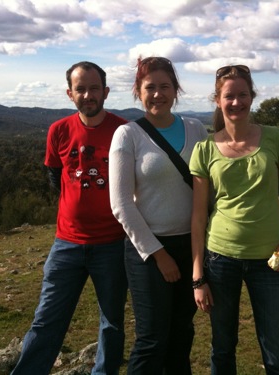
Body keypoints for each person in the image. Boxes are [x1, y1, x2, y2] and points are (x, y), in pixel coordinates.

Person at [11, 61, 128, 375]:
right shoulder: (58, 130)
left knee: (112, 323)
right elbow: (54, 174)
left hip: (113, 244)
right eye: (81, 89)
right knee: (47, 319)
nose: (87, 94)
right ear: (69, 93)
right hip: (66, 244)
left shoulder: (124, 130)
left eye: (93, 88)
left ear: (105, 91)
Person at [189, 64, 279, 375]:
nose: (236, 102)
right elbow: (198, 217)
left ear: (252, 97)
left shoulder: (274, 138)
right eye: (229, 96)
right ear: (217, 100)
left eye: (243, 95)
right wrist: (198, 276)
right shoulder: (204, 149)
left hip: (269, 261)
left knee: (277, 350)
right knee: (222, 347)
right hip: (220, 258)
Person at [109, 56, 208, 375]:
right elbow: (121, 204)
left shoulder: (195, 128)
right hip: (148, 252)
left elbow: (209, 188)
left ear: (175, 90)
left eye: (165, 86)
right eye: (150, 87)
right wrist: (158, 254)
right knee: (152, 340)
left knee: (181, 334)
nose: (158, 94)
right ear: (138, 92)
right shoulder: (128, 135)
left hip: (191, 246)